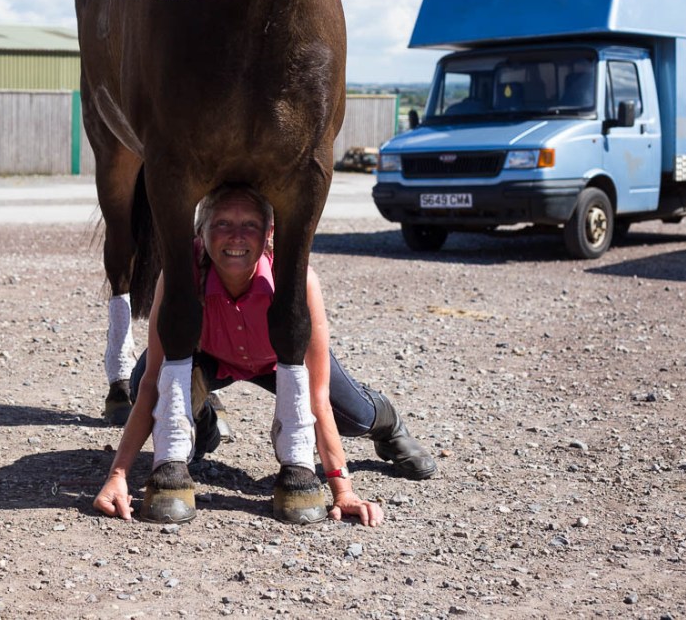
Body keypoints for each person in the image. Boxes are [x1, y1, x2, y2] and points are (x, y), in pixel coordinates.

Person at [93, 184, 436, 526]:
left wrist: (342, 490)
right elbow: (152, 382)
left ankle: (387, 422)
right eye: (223, 223)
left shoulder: (296, 279)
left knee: (356, 418)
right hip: (213, 357)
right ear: (201, 230)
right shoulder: (180, 276)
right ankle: (203, 424)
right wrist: (118, 475)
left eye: (250, 225)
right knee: (143, 385)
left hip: (279, 360)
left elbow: (316, 396)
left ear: (269, 233)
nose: (236, 237)